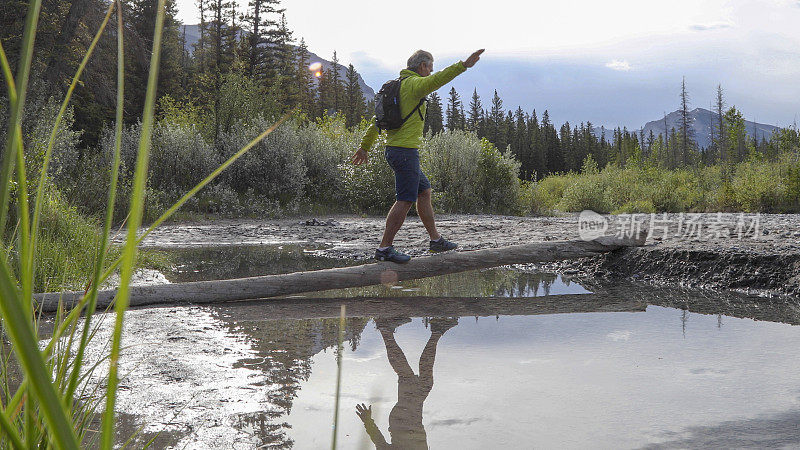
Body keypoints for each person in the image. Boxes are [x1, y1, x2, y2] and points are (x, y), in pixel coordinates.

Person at [352, 49, 485, 263]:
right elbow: (439, 80)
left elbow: (377, 121)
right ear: (422, 66)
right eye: (429, 68)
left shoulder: (396, 86)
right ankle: (384, 248)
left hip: (397, 150)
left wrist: (364, 147)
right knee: (405, 199)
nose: (430, 72)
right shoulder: (413, 85)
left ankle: (435, 240)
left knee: (424, 191)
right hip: (404, 152)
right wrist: (463, 65)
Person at [355, 317, 459, 449]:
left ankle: (388, 330)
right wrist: (367, 421)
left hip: (405, 420)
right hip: (407, 418)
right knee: (414, 379)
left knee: (417, 381)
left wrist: (368, 421)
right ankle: (434, 331)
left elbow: (380, 443)